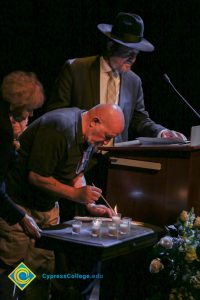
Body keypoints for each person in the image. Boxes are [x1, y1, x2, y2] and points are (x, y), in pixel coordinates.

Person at [0, 103, 124, 300]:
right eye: (107, 136)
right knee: (13, 268)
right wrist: (76, 195)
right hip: (19, 207)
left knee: (37, 269)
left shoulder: (89, 137)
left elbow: (77, 172)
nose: (107, 143)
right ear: (95, 121)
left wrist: (89, 204)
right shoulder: (59, 128)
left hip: (47, 208)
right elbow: (37, 176)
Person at [45, 12, 186, 142]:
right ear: (111, 46)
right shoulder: (76, 69)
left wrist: (161, 132)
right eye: (129, 52)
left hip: (116, 161)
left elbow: (139, 119)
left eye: (136, 53)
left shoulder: (134, 81)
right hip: (77, 157)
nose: (133, 59)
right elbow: (56, 114)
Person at [0, 71, 45, 299]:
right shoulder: (4, 130)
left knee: (28, 265)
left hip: (28, 207)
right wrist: (19, 215)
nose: (31, 114)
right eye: (28, 109)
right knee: (10, 262)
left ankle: (15, 293)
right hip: (14, 204)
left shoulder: (14, 128)